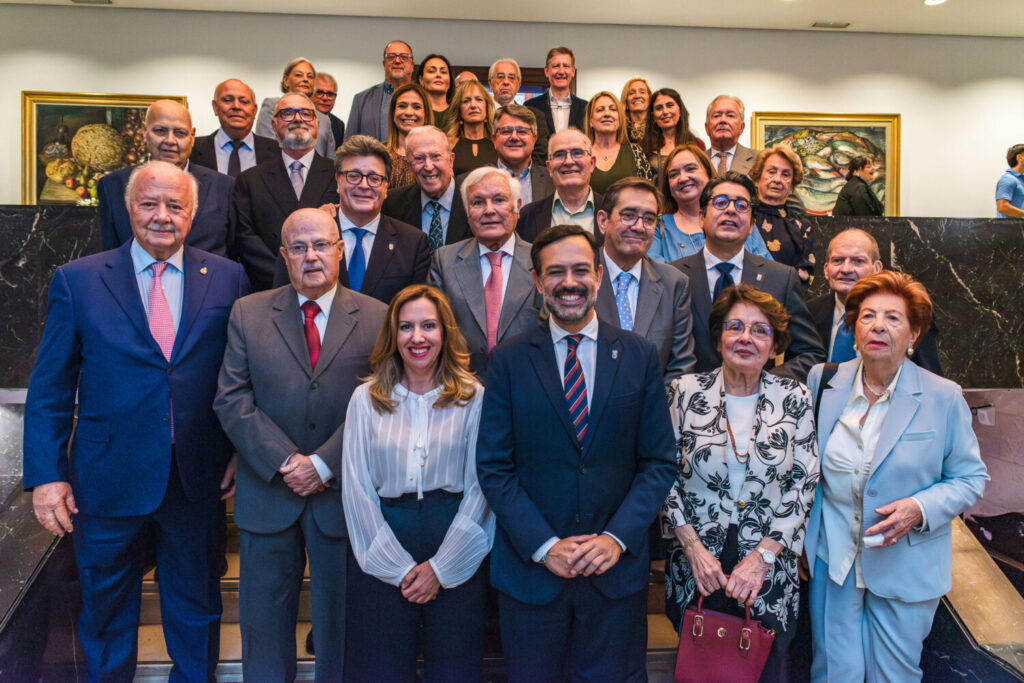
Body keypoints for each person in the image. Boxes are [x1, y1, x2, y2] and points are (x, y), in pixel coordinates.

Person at [25, 160, 250, 682]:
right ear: (129, 209)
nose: (162, 216)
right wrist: (46, 475)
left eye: (175, 205)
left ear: (193, 213)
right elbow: (51, 387)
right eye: (149, 204)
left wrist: (238, 448)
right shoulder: (77, 281)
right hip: (105, 477)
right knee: (105, 610)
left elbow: (241, 375)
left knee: (197, 605)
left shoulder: (227, 277)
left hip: (195, 476)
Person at [476, 224, 677, 682]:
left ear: (600, 276)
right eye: (557, 272)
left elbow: (659, 462)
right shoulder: (507, 360)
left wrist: (616, 539)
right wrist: (545, 546)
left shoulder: (638, 355)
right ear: (537, 280)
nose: (570, 283)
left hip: (614, 576)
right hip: (533, 576)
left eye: (581, 270)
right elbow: (494, 467)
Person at [214, 208, 387, 682]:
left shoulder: (377, 316)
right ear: (284, 255)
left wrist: (324, 463)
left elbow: (382, 402)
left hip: (341, 498)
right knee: (263, 626)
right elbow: (231, 397)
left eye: (321, 245)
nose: (311, 256)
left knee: (341, 626)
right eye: (299, 247)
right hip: (268, 494)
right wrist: (286, 460)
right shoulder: (248, 312)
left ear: (340, 250)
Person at [806, 270, 988, 683]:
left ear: (914, 334)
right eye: (867, 316)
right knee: (834, 674)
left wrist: (918, 508)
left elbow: (970, 478)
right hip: (834, 560)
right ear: (853, 329)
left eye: (893, 318)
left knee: (894, 677)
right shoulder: (824, 380)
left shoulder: (943, 395)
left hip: (906, 561)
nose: (878, 326)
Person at [664, 283, 819, 683]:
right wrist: (693, 548)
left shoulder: (794, 397)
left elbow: (804, 481)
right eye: (735, 326)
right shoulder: (684, 393)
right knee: (702, 671)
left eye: (760, 330)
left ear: (775, 345)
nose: (746, 338)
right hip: (700, 565)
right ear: (719, 337)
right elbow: (662, 475)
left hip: (767, 572)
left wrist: (763, 557)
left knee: (765, 672)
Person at [342, 284, 494, 682]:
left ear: (445, 332)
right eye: (406, 327)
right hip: (385, 536)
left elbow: (481, 488)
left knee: (456, 668)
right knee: (383, 668)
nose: (418, 337)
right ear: (393, 336)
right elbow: (356, 488)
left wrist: (442, 568)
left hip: (454, 534)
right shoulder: (366, 399)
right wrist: (396, 568)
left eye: (429, 325)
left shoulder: (473, 396)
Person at [671, 171, 826, 382]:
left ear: (752, 225)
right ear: (701, 218)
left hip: (758, 405)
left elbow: (810, 353)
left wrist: (764, 383)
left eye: (741, 205)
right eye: (720, 203)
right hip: (689, 406)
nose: (731, 211)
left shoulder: (781, 278)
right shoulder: (673, 276)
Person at [428, 167, 541, 374]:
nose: (489, 210)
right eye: (478, 202)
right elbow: (434, 329)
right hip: (462, 386)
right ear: (467, 212)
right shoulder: (444, 261)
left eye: (499, 200)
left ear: (517, 206)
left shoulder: (541, 260)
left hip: (527, 382)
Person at [300, 135, 430, 304]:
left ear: (386, 186)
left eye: (374, 178)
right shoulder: (306, 236)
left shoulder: (412, 244)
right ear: (338, 181)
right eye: (353, 176)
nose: (363, 185)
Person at [231, 93, 339, 291]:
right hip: (269, 289)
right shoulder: (249, 180)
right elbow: (245, 239)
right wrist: (286, 273)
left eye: (306, 114)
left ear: (317, 124)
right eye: (287, 113)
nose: (297, 119)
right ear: (273, 126)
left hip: (326, 288)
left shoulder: (340, 175)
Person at [99, 99, 235, 257]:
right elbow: (110, 254)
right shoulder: (113, 186)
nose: (170, 140)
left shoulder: (224, 187)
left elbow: (233, 251)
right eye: (160, 131)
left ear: (192, 136)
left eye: (180, 133)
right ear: (144, 131)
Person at [593, 177, 696, 384]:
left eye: (649, 219)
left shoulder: (674, 283)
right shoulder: (577, 277)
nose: (639, 227)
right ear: (603, 221)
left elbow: (681, 368)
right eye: (628, 215)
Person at [807, 228, 943, 374]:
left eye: (858, 261)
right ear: (826, 269)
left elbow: (930, 374)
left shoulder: (908, 312)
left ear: (877, 268)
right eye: (837, 260)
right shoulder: (808, 312)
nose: (846, 269)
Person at [649, 143, 772, 263]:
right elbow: (655, 277)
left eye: (690, 169)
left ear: (708, 174)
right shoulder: (657, 227)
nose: (682, 178)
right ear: (668, 186)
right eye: (674, 174)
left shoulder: (737, 216)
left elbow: (764, 269)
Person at [382, 125, 472, 250]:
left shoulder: (474, 202)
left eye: (436, 156)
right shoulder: (392, 205)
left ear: (451, 161)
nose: (428, 166)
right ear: (409, 166)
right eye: (419, 158)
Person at [516, 128, 603, 244]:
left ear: (592, 163)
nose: (568, 161)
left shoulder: (612, 213)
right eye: (559, 155)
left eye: (577, 153)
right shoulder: (526, 217)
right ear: (549, 168)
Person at [750, 145, 816, 285]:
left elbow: (805, 277)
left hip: (783, 303)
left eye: (785, 175)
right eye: (771, 172)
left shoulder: (802, 227)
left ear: (792, 182)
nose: (777, 179)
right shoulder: (742, 217)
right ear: (758, 175)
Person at [190, 78, 280, 177]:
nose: (236, 106)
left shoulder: (277, 151)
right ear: (215, 107)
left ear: (254, 111)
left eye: (244, 102)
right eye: (228, 100)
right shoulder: (192, 149)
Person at [254, 57, 336, 158]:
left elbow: (330, 159)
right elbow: (266, 148)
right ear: (286, 80)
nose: (305, 79)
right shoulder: (272, 106)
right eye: (298, 75)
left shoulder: (324, 119)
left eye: (310, 77)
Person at [585, 91, 653, 195]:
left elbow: (649, 193)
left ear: (620, 119)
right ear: (590, 121)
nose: (607, 114)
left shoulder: (636, 152)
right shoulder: (581, 154)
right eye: (600, 110)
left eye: (613, 109)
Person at [346, 40, 415, 143]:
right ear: (384, 64)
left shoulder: (424, 100)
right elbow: (349, 144)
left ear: (412, 65)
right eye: (391, 57)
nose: (397, 61)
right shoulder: (361, 100)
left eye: (404, 57)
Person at [489, 57, 551, 165]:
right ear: (491, 83)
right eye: (500, 77)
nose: (506, 82)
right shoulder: (480, 115)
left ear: (518, 85)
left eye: (512, 78)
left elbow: (540, 156)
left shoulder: (536, 116)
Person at [492, 104, 553, 207]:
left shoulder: (553, 180)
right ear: (494, 139)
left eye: (522, 131)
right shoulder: (475, 181)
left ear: (534, 139)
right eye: (506, 131)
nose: (514, 137)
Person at [642, 88, 704, 180]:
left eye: (670, 105)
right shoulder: (643, 146)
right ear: (653, 115)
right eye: (659, 108)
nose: (665, 112)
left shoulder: (697, 144)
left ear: (679, 110)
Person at [525, 46, 587, 134]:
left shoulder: (585, 108)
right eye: (556, 66)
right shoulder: (530, 107)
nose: (561, 71)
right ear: (546, 71)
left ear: (573, 71)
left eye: (566, 66)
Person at [385, 83, 433, 188]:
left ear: (426, 115)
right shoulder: (379, 154)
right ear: (393, 114)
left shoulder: (437, 156)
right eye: (402, 106)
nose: (409, 112)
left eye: (416, 107)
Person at [447, 79, 498, 176]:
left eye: (479, 99)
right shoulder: (448, 144)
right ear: (459, 111)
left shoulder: (499, 144)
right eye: (466, 101)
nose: (473, 105)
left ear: (486, 109)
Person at [705, 95, 755, 177]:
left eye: (730, 115)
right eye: (717, 115)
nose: (723, 120)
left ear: (741, 127)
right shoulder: (695, 160)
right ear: (707, 127)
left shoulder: (758, 160)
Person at [415, 53, 454, 131]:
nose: (438, 75)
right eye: (431, 71)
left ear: (449, 81)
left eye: (443, 72)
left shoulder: (458, 112)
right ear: (421, 80)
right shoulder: (415, 112)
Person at [313, 72, 346, 148]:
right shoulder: (300, 120)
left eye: (330, 94)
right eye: (319, 92)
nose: (325, 98)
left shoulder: (339, 125)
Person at [996, 144, 1024, 218]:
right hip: (1010, 228)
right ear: (1019, 157)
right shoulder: (1008, 179)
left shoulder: (1020, 180)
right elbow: (1003, 207)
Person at [621, 77, 651, 144]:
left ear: (650, 97)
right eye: (631, 93)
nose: (637, 96)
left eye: (642, 92)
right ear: (625, 100)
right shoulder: (619, 126)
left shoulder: (657, 124)